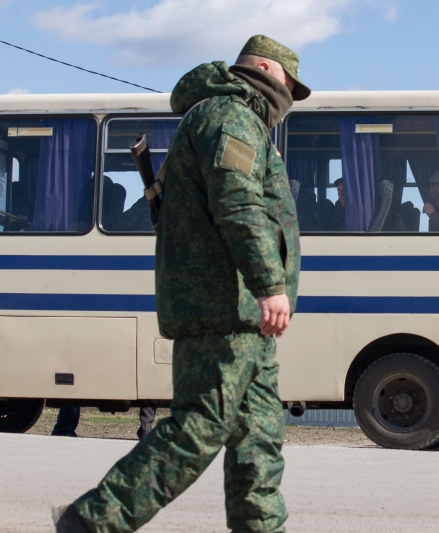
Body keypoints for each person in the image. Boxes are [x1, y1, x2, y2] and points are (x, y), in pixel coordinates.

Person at [52, 34, 308, 533]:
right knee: (197, 429)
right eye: (289, 86)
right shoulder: (229, 117)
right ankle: (91, 523)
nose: (288, 101)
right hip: (222, 311)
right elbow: (238, 203)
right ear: (266, 70)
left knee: (259, 442)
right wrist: (269, 282)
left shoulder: (230, 117)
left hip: (241, 319)